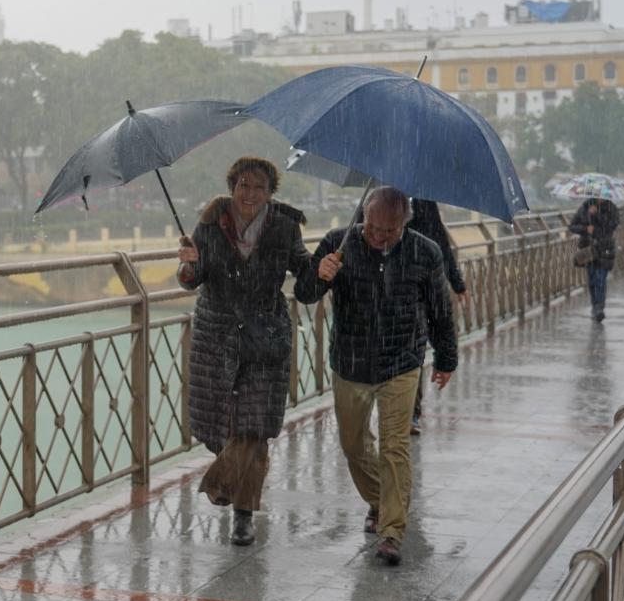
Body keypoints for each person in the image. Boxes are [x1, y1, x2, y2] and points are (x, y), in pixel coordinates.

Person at [294, 186, 457, 566]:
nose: (379, 236)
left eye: (389, 231)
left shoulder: (425, 252)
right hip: (350, 361)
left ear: (405, 223)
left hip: (401, 361)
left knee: (394, 446)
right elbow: (305, 294)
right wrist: (319, 275)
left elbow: (439, 310)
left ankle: (391, 530)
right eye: (373, 227)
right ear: (364, 216)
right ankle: (380, 499)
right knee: (353, 445)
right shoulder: (340, 241)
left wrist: (446, 358)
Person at [177, 157, 313, 547]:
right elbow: (192, 279)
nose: (250, 194)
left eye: (260, 188)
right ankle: (233, 486)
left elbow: (303, 272)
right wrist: (188, 266)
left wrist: (321, 270)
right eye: (244, 186)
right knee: (225, 431)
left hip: (264, 336)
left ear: (271, 193)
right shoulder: (209, 223)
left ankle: (241, 513)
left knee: (253, 430)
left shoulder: (285, 226)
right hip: (216, 337)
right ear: (232, 186)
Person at [406, 199, 469, 435]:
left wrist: (457, 282)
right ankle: (401, 410)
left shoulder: (423, 202)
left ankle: (410, 412)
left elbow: (440, 244)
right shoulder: (376, 198)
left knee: (412, 351)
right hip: (380, 291)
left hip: (417, 288)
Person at [568, 197, 620, 323]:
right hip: (589, 251)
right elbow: (572, 226)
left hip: (605, 249)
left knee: (600, 279)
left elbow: (612, 226)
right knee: (592, 280)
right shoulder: (585, 207)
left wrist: (596, 215)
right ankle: (594, 306)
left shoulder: (610, 207)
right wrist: (585, 229)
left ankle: (599, 308)